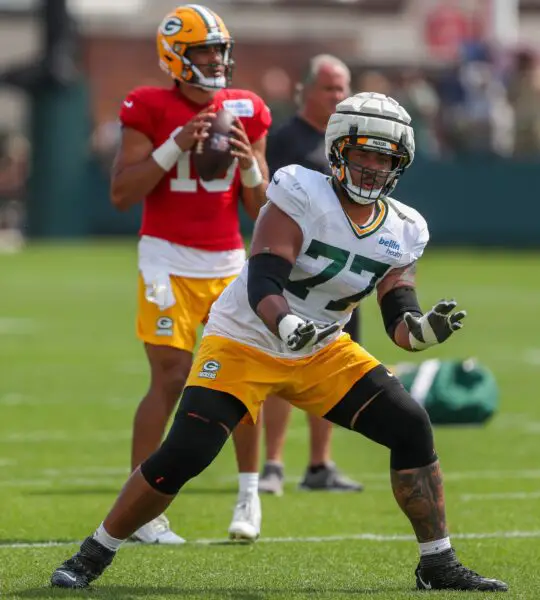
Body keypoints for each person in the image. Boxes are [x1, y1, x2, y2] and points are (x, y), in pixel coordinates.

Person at [51, 91, 508, 592]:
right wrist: (285, 323)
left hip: (321, 347)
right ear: (338, 150)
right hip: (246, 336)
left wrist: (420, 332)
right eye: (364, 153)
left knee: (410, 424)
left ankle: (437, 564)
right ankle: (92, 554)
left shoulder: (404, 227)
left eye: (385, 157)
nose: (374, 167)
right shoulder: (300, 191)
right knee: (188, 450)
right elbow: (263, 278)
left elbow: (398, 308)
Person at [110, 4, 271, 544]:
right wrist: (175, 143)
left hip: (228, 260)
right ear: (175, 57)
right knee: (172, 378)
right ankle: (141, 512)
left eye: (219, 50)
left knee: (243, 381)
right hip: (166, 257)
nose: (215, 60)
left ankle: (249, 498)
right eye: (203, 51)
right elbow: (122, 193)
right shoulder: (149, 104)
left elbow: (263, 209)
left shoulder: (247, 108)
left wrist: (248, 161)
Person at [259, 55, 362, 494]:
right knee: (285, 364)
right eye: (328, 88)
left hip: (340, 275)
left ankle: (320, 465)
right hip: (294, 271)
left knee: (330, 367)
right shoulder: (285, 139)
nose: (337, 97)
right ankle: (274, 464)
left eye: (342, 88)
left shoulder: (353, 140)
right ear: (304, 91)